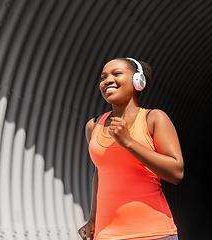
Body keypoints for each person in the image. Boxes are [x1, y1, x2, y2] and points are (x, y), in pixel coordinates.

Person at [78, 57, 184, 240]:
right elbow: (100, 174)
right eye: (103, 77)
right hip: (106, 234)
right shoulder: (93, 126)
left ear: (138, 81)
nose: (107, 80)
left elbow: (176, 173)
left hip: (153, 233)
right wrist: (92, 219)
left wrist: (129, 142)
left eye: (117, 74)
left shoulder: (154, 119)